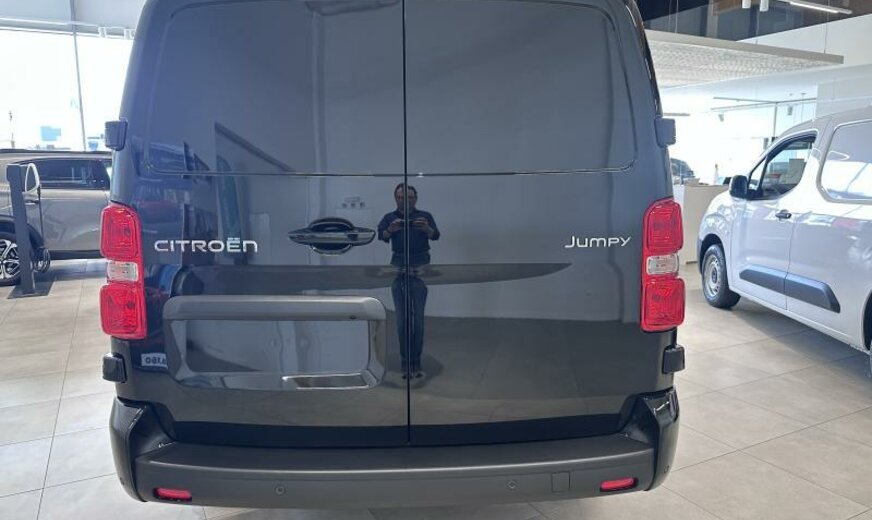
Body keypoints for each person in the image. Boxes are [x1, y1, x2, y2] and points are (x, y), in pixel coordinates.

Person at [377, 184, 440, 378]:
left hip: (421, 264)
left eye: (409, 197)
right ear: (395, 198)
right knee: (402, 319)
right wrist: (391, 229)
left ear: (416, 198)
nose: (405, 201)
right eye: (401, 197)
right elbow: (381, 235)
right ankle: (405, 361)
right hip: (398, 263)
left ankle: (416, 361)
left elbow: (436, 235)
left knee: (418, 319)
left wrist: (427, 228)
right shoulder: (389, 217)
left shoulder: (425, 216)